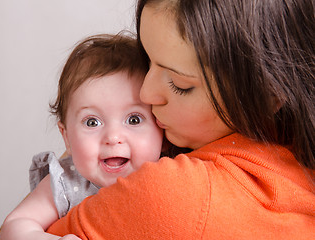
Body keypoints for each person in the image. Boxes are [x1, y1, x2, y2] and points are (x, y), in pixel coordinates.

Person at [43, 0, 314, 239]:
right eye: (147, 61)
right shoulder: (296, 170)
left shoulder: (180, 197)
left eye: (178, 84)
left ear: (270, 94)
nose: (146, 94)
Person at [0, 33, 164, 240]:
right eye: (92, 122)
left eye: (134, 120)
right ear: (66, 136)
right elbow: (15, 225)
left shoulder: (171, 175)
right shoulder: (66, 182)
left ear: (162, 127)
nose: (113, 137)